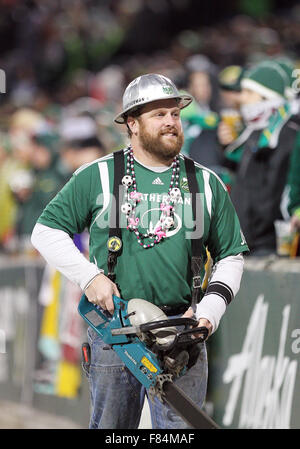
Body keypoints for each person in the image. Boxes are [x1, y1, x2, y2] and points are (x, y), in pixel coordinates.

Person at [31, 73, 248, 429]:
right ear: (132, 123)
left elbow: (231, 256)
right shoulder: (98, 175)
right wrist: (90, 277)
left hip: (183, 334)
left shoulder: (206, 182)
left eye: (175, 114)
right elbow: (45, 231)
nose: (170, 122)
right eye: (158, 114)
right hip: (114, 335)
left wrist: (210, 309)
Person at [218, 60, 300, 256]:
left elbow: (276, 190)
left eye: (248, 92)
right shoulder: (255, 131)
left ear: (266, 95)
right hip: (245, 239)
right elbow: (242, 178)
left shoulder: (288, 132)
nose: (242, 98)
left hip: (269, 242)